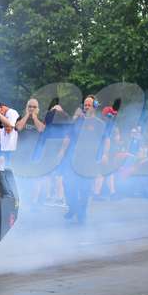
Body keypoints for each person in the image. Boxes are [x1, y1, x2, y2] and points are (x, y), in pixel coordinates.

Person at [60, 96, 110, 224]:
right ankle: (73, 207)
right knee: (68, 184)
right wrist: (61, 152)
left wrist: (105, 154)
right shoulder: (78, 121)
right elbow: (68, 137)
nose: (86, 107)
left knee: (85, 188)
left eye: (89, 105)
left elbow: (106, 140)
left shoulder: (100, 124)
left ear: (95, 106)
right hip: (74, 159)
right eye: (85, 105)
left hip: (89, 161)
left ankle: (82, 213)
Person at [0, 101, 20, 169]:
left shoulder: (11, 113)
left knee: (5, 167)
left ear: (0, 108)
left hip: (8, 146)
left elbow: (9, 129)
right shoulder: (7, 113)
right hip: (5, 146)